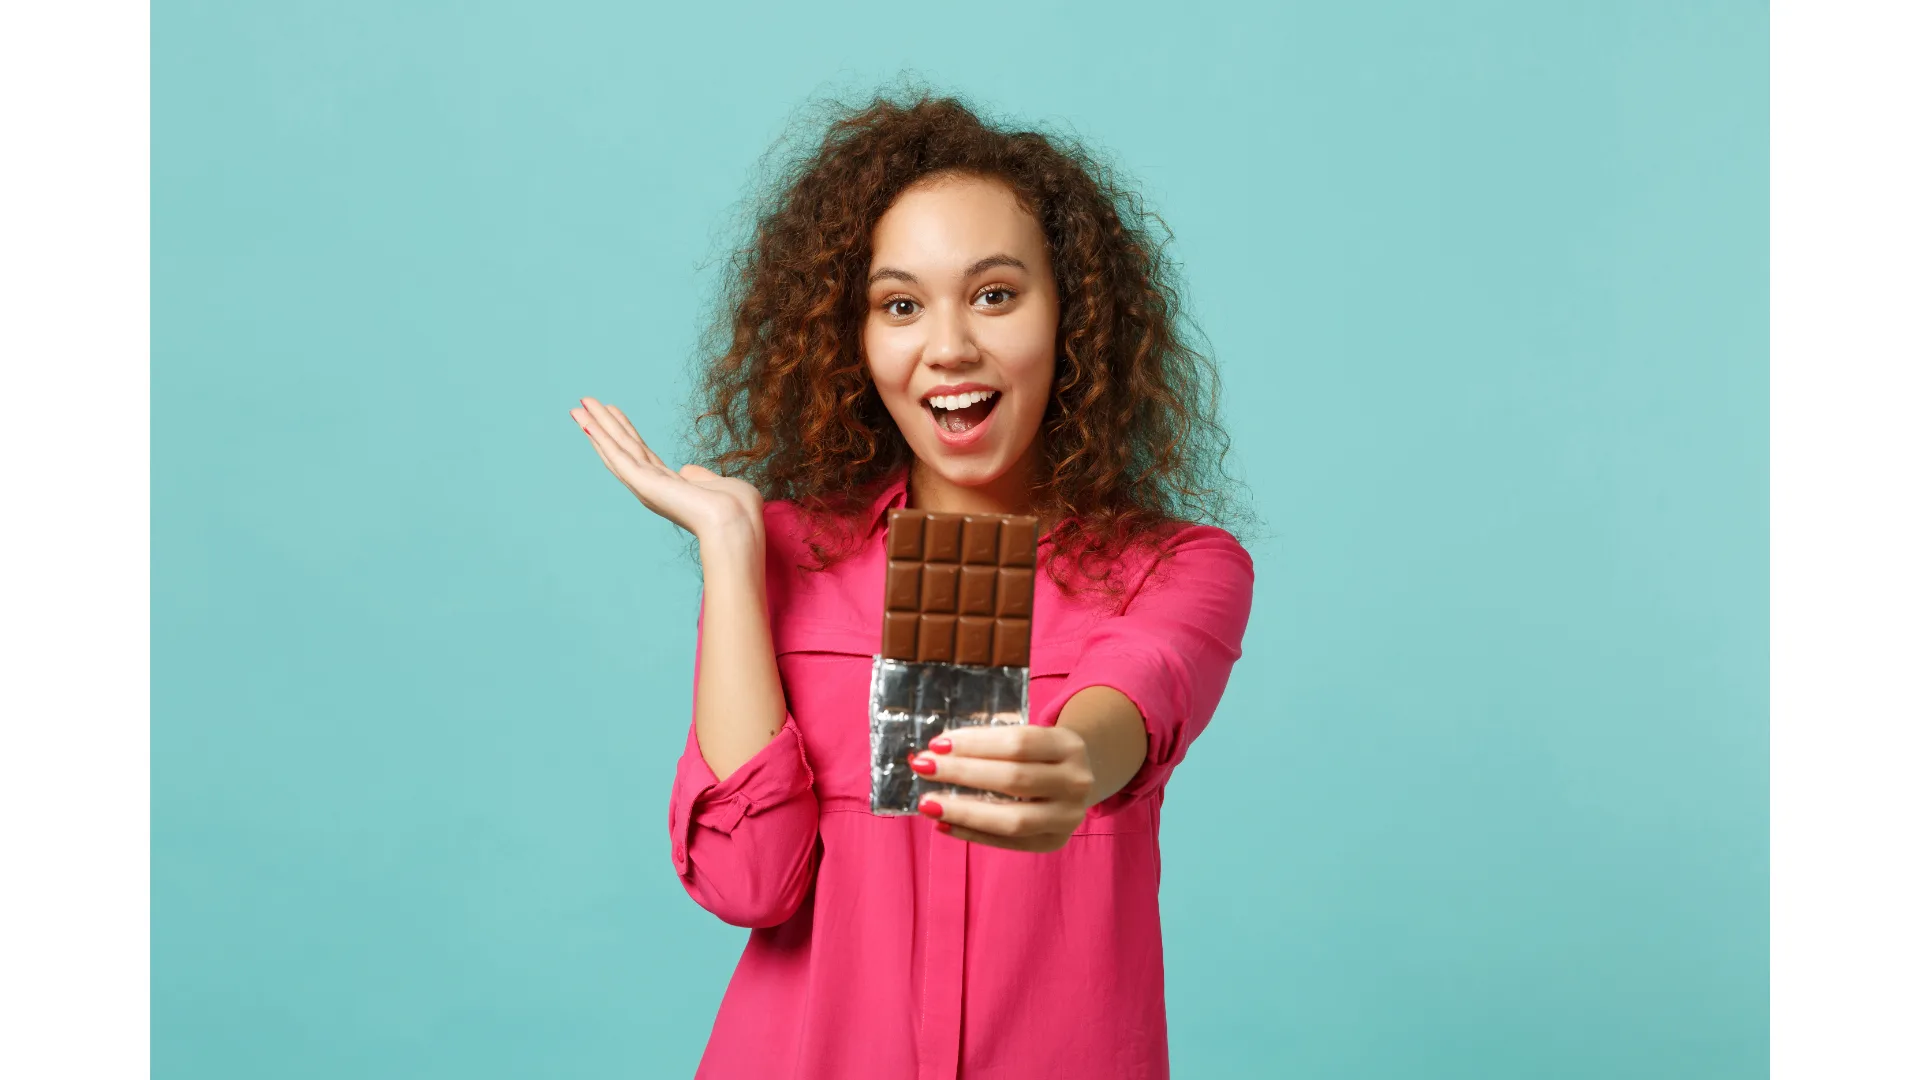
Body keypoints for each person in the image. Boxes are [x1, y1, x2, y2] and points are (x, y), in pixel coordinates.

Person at [569, 89, 1256, 1080]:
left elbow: (1138, 690)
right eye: (901, 305)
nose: (948, 347)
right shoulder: (784, 562)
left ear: (1072, 317)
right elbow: (749, 883)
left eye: (995, 295)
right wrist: (730, 550)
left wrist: (1075, 758)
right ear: (853, 341)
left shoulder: (1178, 567)